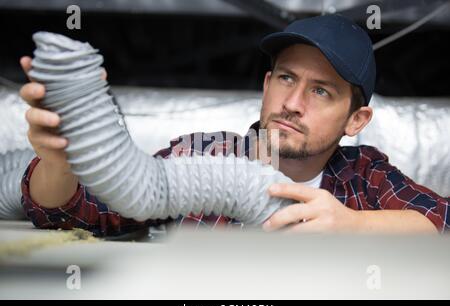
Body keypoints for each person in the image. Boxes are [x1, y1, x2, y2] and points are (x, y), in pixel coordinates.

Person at [19, 14, 448, 236]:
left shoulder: (365, 179)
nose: (293, 103)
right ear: (267, 84)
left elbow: (443, 224)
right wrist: (59, 163)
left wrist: (353, 227)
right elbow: (78, 216)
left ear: (356, 120)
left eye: (322, 91)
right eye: (286, 78)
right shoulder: (205, 156)